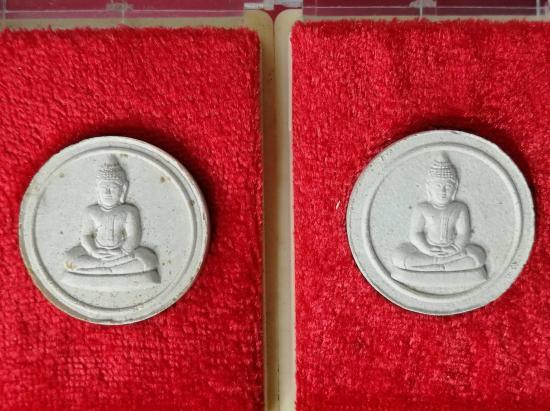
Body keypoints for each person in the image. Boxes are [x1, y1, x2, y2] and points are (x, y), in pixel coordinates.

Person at [65, 155, 158, 276]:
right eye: (104, 188)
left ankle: (99, 270)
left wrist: (122, 251)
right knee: (69, 260)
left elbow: (133, 236)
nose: (107, 192)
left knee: (149, 260)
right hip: (96, 254)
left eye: (113, 187)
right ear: (97, 190)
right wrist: (93, 251)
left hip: (121, 255)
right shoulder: (90, 211)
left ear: (123, 190)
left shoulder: (130, 211)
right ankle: (109, 270)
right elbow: (86, 235)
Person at [392, 152, 486, 272]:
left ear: (455, 187)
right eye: (438, 186)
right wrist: (426, 249)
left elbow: (463, 234)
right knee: (399, 256)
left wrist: (454, 248)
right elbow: (415, 233)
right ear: (429, 187)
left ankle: (433, 267)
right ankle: (442, 265)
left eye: (448, 186)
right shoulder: (422, 208)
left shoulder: (460, 208)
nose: (443, 191)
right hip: (427, 252)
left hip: (452, 252)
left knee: (478, 256)